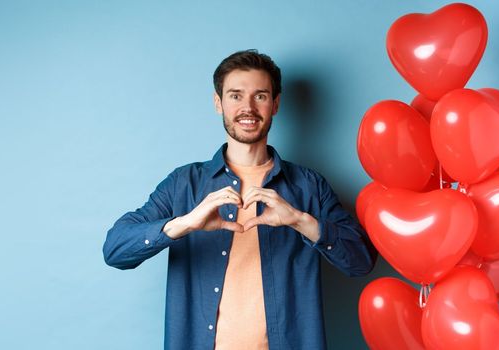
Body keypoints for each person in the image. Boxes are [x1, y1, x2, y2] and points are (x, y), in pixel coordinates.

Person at [102, 50, 377, 350]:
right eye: (235, 96)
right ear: (218, 103)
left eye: (260, 96)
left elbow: (361, 262)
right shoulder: (184, 184)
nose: (248, 107)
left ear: (276, 104)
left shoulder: (308, 186)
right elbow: (115, 249)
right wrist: (184, 224)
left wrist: (301, 221)